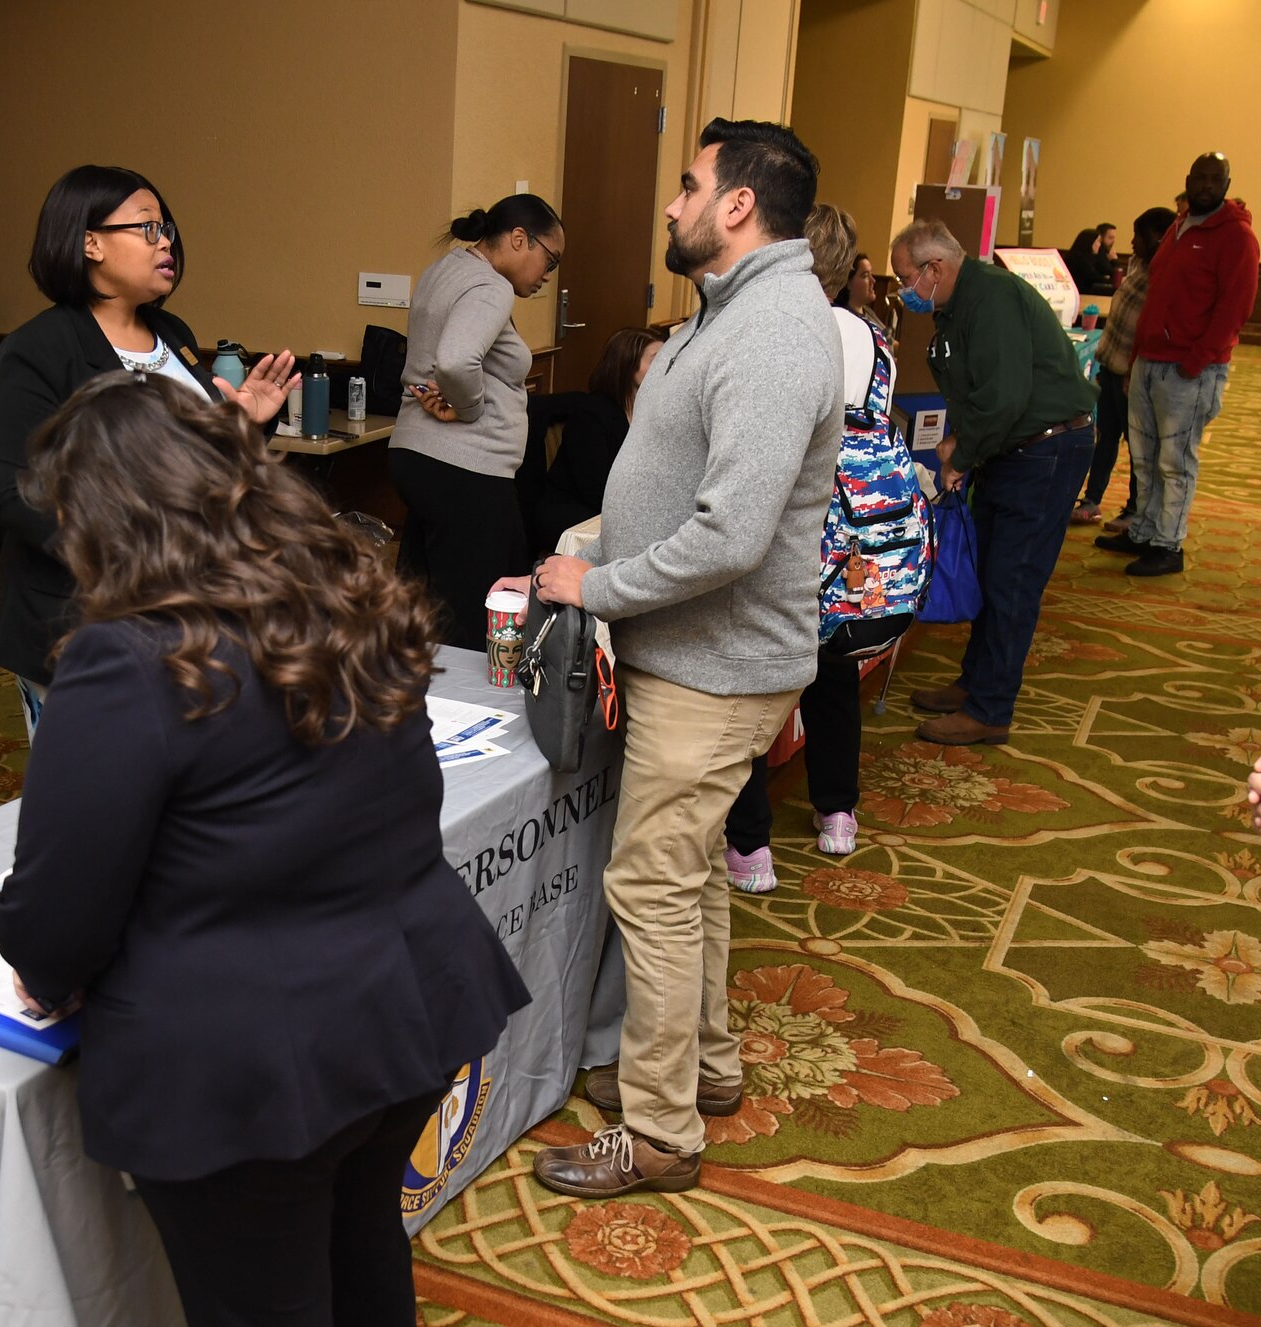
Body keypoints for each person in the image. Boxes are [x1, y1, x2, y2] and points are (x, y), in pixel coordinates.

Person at [0, 373, 529, 1326]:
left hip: (254, 1063)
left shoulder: (128, 656)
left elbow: (55, 924)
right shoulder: (344, 595)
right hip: (406, 1004)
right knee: (362, 1245)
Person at [502, 118, 842, 1200]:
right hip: (698, 656)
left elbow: (729, 535)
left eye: (687, 184)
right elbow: (679, 484)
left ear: (736, 204)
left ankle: (657, 1133)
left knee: (648, 885)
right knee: (687, 876)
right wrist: (586, 544)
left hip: (714, 669)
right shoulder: (731, 309)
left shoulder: (775, 332)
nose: (669, 202)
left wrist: (594, 587)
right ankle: (703, 1064)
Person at [0, 165, 298, 734]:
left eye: (168, 229)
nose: (167, 243)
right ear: (90, 243)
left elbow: (195, 464)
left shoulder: (171, 331)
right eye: (148, 228)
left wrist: (243, 423)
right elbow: (11, 491)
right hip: (83, 623)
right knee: (99, 801)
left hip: (189, 616)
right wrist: (134, 551)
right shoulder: (40, 349)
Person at [722, 203, 896, 894]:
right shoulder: (873, 338)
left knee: (751, 675)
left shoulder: (786, 331)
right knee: (834, 676)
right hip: (855, 534)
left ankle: (750, 845)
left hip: (795, 524)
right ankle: (838, 812)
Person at [892, 219, 1097, 744]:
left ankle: (990, 709)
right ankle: (975, 683)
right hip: (1014, 451)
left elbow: (1004, 396)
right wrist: (963, 439)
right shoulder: (964, 303)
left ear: (934, 268)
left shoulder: (992, 300)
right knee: (991, 571)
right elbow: (980, 386)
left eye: (906, 278)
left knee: (1012, 582)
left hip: (1044, 451)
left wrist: (963, 454)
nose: (903, 291)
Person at [389, 194, 565, 649]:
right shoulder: (492, 287)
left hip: (417, 455)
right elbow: (455, 361)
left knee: (427, 606)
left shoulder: (445, 269)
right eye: (550, 260)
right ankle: (473, 714)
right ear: (519, 239)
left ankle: (416, 708)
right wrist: (466, 408)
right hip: (466, 466)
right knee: (481, 612)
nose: (548, 275)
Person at [1095, 152, 1259, 577]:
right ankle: (1144, 531)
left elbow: (1235, 307)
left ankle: (1169, 544)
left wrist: (1198, 360)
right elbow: (1156, 299)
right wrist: (1136, 359)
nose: (1205, 185)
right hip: (1149, 361)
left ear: (1226, 183)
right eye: (1199, 178)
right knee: (1145, 458)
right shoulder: (1179, 227)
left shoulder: (1236, 236)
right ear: (1188, 180)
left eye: (1215, 179)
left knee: (1175, 461)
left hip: (1191, 369)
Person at [1077, 206, 1176, 527]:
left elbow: (1150, 328)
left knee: (1139, 447)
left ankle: (1136, 511)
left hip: (1131, 376)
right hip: (1111, 368)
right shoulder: (1142, 268)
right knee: (1104, 439)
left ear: (1157, 237)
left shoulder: (1165, 274)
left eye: (1138, 236)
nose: (1132, 242)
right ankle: (1092, 500)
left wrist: (1134, 372)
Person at [528, 327, 662, 555]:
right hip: (571, 509)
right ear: (627, 364)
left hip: (614, 505)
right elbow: (593, 485)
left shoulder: (650, 409)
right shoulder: (592, 414)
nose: (665, 367)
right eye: (656, 359)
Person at [1063, 223, 1118, 296]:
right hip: (1079, 294)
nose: (1099, 244)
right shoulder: (1079, 258)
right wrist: (1114, 281)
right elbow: (1094, 277)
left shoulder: (1088, 257)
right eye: (1098, 241)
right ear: (1090, 242)